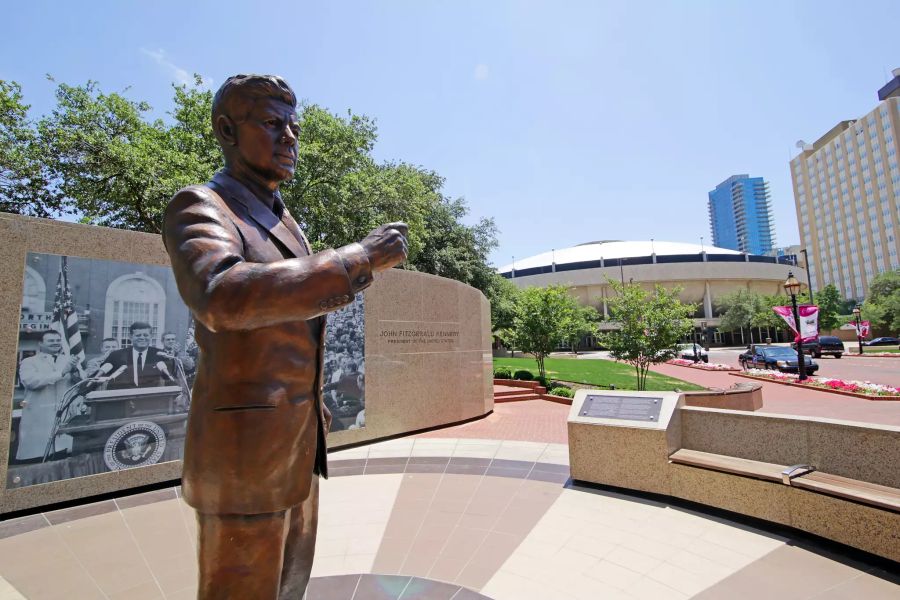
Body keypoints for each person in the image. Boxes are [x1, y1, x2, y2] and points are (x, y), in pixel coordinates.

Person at [162, 74, 407, 599]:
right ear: (227, 130)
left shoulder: (284, 221)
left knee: (288, 586)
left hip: (295, 451)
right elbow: (220, 294)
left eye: (293, 126)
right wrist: (358, 258)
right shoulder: (200, 207)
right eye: (273, 124)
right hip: (244, 458)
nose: (291, 137)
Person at [15, 331, 80, 462]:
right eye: (51, 340)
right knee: (38, 458)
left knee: (62, 457)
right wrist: (62, 372)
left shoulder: (67, 360)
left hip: (62, 416)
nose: (56, 343)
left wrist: (75, 372)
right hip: (39, 417)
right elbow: (32, 381)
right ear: (40, 343)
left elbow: (78, 384)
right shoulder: (28, 362)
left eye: (58, 340)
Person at [98, 322, 174, 389]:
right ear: (130, 337)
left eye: (145, 335)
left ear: (151, 336)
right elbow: (98, 377)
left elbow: (170, 379)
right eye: (138, 335)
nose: (142, 338)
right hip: (122, 400)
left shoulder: (159, 354)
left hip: (149, 400)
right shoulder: (116, 355)